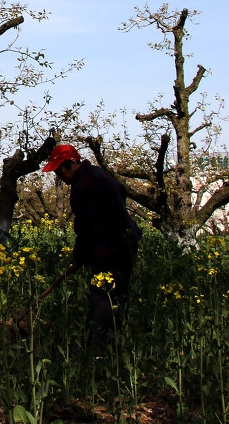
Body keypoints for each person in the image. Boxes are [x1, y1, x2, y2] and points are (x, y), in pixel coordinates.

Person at [38, 143, 141, 356]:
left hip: (107, 249)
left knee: (101, 297)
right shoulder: (100, 174)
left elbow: (84, 227)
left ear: (70, 164)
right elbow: (121, 191)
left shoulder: (82, 186)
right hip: (127, 243)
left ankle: (98, 355)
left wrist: (79, 257)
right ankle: (117, 349)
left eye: (59, 170)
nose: (60, 176)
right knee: (119, 296)